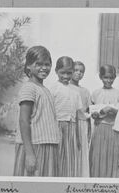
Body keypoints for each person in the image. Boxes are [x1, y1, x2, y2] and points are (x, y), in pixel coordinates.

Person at [13, 46, 60, 177]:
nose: (44, 68)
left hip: (47, 145)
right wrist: (29, 154)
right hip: (34, 146)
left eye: (47, 64)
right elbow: (23, 121)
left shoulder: (45, 89)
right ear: (28, 66)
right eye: (38, 64)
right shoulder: (29, 88)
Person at [50, 56, 82, 177]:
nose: (66, 76)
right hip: (57, 127)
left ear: (73, 72)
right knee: (57, 156)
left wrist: (78, 137)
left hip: (72, 128)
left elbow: (77, 116)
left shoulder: (75, 91)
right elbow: (49, 112)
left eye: (69, 73)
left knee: (69, 158)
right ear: (56, 71)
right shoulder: (52, 89)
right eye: (62, 72)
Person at [89, 64, 119, 177]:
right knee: (99, 156)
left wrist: (112, 110)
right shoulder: (96, 93)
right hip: (100, 128)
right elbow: (91, 111)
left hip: (113, 129)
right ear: (101, 77)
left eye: (111, 78)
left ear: (114, 77)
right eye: (106, 77)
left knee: (111, 156)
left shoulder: (118, 94)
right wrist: (94, 114)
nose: (109, 80)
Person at [69, 61, 92, 177]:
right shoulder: (67, 88)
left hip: (83, 124)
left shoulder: (85, 91)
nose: (78, 73)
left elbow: (88, 110)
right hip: (72, 123)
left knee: (82, 151)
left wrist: (89, 130)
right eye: (76, 70)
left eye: (81, 71)